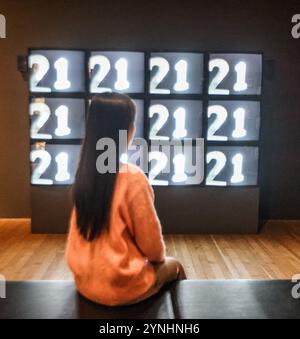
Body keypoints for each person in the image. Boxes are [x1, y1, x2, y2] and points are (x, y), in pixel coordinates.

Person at [66, 92, 186, 306]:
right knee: (175, 265)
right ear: (129, 132)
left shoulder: (84, 173)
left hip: (85, 284)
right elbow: (154, 251)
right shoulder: (133, 178)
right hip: (122, 288)